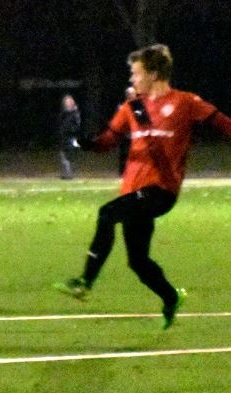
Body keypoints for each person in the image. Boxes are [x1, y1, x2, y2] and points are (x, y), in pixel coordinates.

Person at [53, 44, 231, 329]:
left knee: (107, 214)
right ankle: (171, 297)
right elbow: (107, 142)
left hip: (161, 189)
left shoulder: (185, 102)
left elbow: (223, 124)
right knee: (138, 261)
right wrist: (85, 143)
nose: (132, 79)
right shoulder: (132, 107)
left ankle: (85, 282)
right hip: (133, 190)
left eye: (136, 73)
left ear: (154, 74)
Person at [56, 94, 82, 180]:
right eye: (67, 102)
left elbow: (77, 125)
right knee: (63, 155)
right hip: (64, 137)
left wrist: (71, 130)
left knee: (71, 155)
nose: (68, 103)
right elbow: (60, 123)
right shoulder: (64, 113)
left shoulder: (75, 113)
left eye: (69, 101)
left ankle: (69, 174)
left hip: (72, 137)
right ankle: (66, 173)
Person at [118, 87, 138, 175]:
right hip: (125, 135)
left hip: (135, 135)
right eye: (132, 94)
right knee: (124, 154)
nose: (134, 96)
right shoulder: (122, 107)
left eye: (134, 94)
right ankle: (123, 172)